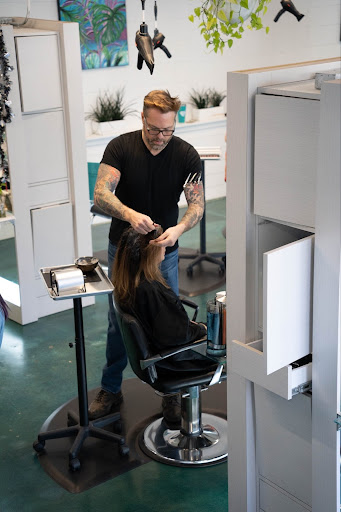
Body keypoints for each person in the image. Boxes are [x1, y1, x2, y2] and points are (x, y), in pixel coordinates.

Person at [88, 90, 205, 420]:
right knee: (119, 320)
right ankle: (110, 390)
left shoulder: (186, 154)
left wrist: (179, 230)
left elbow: (197, 204)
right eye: (154, 130)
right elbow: (100, 193)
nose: (160, 138)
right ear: (143, 119)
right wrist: (129, 214)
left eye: (167, 130)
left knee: (168, 319)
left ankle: (171, 390)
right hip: (124, 251)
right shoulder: (121, 147)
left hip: (163, 252)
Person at [112, 226, 217, 424]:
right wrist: (202, 330)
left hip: (157, 356)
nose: (166, 248)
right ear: (149, 253)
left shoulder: (127, 285)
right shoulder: (150, 292)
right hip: (175, 361)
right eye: (162, 244)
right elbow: (178, 338)